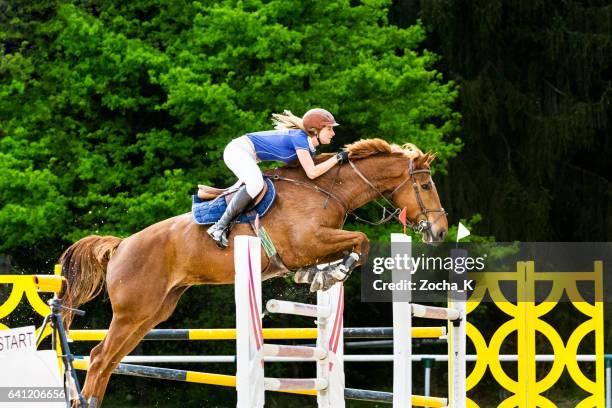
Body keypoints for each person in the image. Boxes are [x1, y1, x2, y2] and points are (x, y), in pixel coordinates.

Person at [207, 108, 349, 248]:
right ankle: (219, 227)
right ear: (315, 129)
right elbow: (312, 172)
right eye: (329, 129)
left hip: (247, 155)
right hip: (237, 151)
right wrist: (337, 158)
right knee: (256, 184)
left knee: (257, 184)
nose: (333, 133)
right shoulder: (300, 138)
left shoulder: (307, 145)